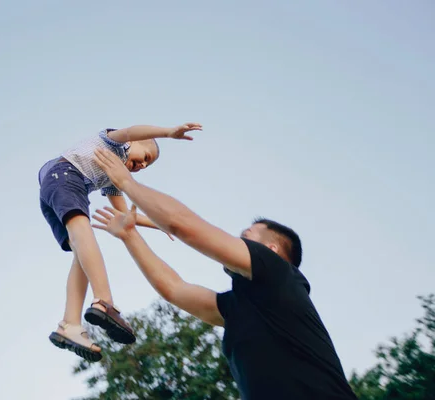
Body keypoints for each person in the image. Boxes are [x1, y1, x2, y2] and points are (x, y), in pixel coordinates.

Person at [91, 148, 358, 399]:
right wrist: (130, 235)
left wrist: (126, 182)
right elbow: (173, 288)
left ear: (271, 249)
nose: (234, 241)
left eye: (245, 236)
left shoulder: (279, 272)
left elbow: (183, 224)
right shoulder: (237, 307)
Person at [38, 123, 202, 362]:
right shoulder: (115, 143)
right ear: (134, 144)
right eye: (145, 157)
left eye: (147, 165)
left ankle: (70, 325)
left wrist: (160, 224)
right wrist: (167, 133)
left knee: (80, 252)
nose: (143, 165)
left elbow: (126, 218)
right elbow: (130, 132)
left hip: (50, 189)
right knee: (85, 234)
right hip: (64, 175)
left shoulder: (112, 180)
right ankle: (104, 302)